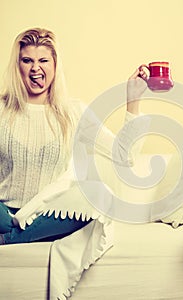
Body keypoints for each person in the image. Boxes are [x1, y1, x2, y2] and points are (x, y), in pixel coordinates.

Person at [0, 27, 149, 245]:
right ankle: (14, 232)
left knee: (98, 195)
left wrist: (133, 99)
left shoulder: (74, 112)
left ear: (55, 65)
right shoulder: (2, 110)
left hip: (47, 212)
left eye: (43, 60)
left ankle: (10, 239)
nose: (35, 68)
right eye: (27, 61)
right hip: (3, 213)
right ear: (18, 65)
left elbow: (124, 155)